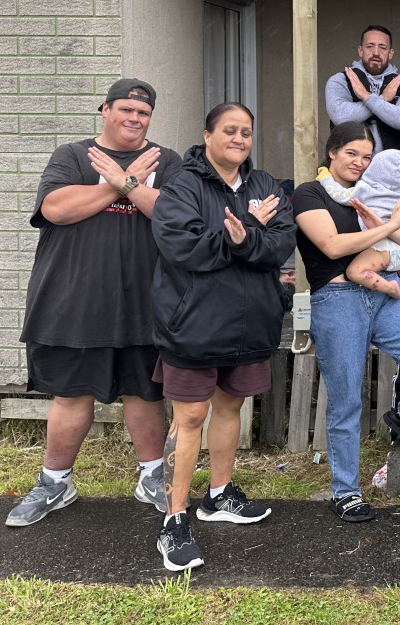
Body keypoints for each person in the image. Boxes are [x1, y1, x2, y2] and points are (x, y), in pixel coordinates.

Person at [8, 79, 182, 528]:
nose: (134, 118)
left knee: (144, 392)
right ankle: (55, 483)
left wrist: (127, 183)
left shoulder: (168, 161)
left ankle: (151, 478)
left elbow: (177, 215)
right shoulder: (73, 155)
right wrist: (125, 184)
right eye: (125, 109)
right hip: (75, 303)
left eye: (143, 113)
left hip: (145, 304)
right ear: (104, 110)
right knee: (70, 395)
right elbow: (56, 208)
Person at [149, 102, 297, 572]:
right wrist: (248, 231)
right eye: (229, 130)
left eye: (247, 132)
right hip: (193, 323)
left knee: (230, 407)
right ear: (207, 135)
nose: (239, 139)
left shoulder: (265, 185)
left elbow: (282, 244)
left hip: (249, 321)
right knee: (190, 416)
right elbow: (182, 247)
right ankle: (174, 519)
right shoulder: (183, 186)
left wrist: (246, 240)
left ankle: (219, 494)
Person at [294, 121, 400, 524]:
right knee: (346, 399)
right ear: (332, 152)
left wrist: (397, 232)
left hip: (387, 290)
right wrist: (389, 227)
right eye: (351, 154)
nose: (359, 163)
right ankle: (345, 490)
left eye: (366, 156)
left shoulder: (374, 191)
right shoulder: (310, 194)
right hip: (338, 297)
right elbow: (332, 245)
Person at [316, 149, 400, 300]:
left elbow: (339, 194)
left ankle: (389, 287)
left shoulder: (367, 189)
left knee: (354, 271)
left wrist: (325, 177)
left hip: (379, 248)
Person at [325, 25, 400, 153]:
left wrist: (367, 98)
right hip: (349, 167)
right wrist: (383, 99)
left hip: (390, 169)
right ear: (360, 50)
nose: (376, 52)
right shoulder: (340, 80)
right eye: (370, 46)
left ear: (390, 53)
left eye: (382, 47)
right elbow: (341, 117)